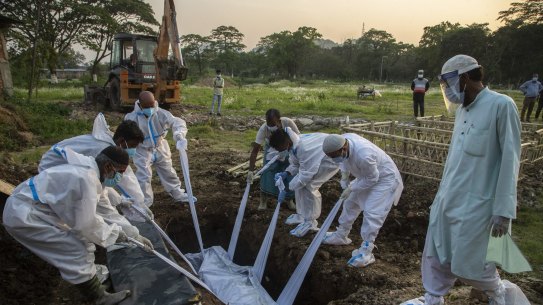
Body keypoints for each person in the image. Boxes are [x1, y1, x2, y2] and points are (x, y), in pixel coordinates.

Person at [420, 54, 522, 305]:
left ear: (464, 78)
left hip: (478, 204)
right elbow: (455, 159)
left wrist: (503, 210)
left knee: (472, 262)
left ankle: (499, 295)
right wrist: (440, 198)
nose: (448, 91)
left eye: (448, 84)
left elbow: (511, 160)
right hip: (449, 198)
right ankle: (433, 297)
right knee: (435, 253)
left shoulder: (501, 105)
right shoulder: (463, 110)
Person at [3, 146, 153, 305]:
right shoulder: (85, 180)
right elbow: (86, 224)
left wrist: (133, 234)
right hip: (26, 216)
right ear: (108, 166)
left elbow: (107, 212)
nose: (120, 177)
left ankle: (92, 280)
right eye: (120, 172)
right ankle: (98, 296)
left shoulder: (93, 174)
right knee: (75, 247)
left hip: (36, 209)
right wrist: (116, 235)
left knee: (79, 241)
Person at [39, 113, 152, 230]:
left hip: (61, 166)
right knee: (83, 208)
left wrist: (124, 201)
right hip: (53, 169)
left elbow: (107, 185)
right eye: (133, 146)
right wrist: (139, 204)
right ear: (122, 141)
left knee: (96, 200)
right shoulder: (102, 151)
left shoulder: (108, 148)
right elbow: (125, 179)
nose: (133, 150)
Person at [321, 134, 403, 268]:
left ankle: (367, 250)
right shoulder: (342, 141)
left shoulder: (364, 155)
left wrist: (351, 187)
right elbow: (343, 162)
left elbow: (372, 179)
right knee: (350, 202)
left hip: (384, 179)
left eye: (335, 156)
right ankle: (341, 234)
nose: (334, 159)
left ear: (344, 148)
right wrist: (345, 176)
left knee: (372, 212)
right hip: (366, 176)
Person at [125, 90, 195, 206]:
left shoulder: (161, 113)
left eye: (152, 105)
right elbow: (126, 134)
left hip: (160, 147)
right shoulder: (132, 117)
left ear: (154, 102)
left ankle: (177, 193)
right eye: (147, 107)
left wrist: (179, 134)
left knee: (168, 172)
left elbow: (176, 122)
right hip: (142, 150)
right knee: (143, 177)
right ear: (140, 105)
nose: (150, 109)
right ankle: (145, 202)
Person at [269, 130, 339, 237]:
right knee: (299, 184)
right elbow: (296, 164)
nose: (279, 151)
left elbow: (306, 175)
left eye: (279, 149)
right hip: (313, 160)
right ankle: (301, 214)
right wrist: (286, 173)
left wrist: (287, 189)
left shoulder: (304, 148)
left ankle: (310, 221)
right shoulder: (293, 144)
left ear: (284, 143)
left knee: (310, 186)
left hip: (329, 159)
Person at [247, 109, 300, 211]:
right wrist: (250, 171)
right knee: (267, 171)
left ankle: (289, 200)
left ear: (279, 121)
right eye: (268, 123)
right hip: (271, 149)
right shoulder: (263, 129)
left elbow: (298, 138)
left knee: (288, 173)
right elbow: (255, 151)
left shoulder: (288, 123)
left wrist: (287, 150)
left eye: (273, 123)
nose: (270, 126)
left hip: (287, 148)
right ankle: (263, 200)